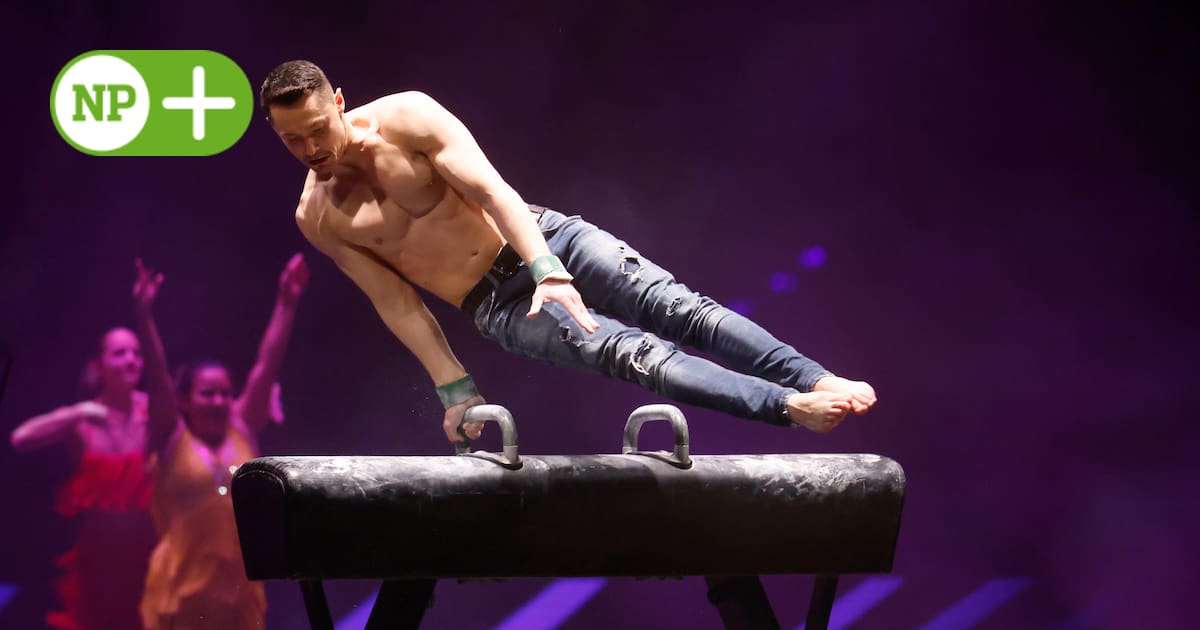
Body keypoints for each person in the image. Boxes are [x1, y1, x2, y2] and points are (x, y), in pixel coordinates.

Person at [259, 60, 876, 444]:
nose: (311, 147)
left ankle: (813, 376)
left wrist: (548, 271)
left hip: (548, 241)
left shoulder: (407, 117)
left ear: (338, 100)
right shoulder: (317, 218)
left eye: (318, 129)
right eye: (293, 140)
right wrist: (456, 392)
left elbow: (494, 192)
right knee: (636, 357)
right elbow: (397, 304)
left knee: (680, 310)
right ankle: (789, 408)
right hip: (498, 307)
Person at [133, 254, 308, 630]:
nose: (218, 402)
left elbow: (267, 364)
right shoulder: (171, 437)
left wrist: (286, 302)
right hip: (178, 599)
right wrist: (144, 316)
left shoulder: (241, 428)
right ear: (184, 400)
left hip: (238, 597)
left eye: (225, 394)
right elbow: (158, 375)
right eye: (207, 394)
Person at [10, 328, 157, 629]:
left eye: (136, 353)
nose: (131, 360)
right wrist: (76, 412)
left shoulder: (153, 411)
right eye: (119, 353)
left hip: (148, 554)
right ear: (98, 366)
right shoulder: (83, 419)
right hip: (98, 563)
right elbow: (20, 438)